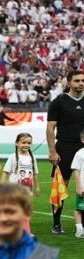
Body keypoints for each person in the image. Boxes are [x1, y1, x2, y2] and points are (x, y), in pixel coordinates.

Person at [46, 70, 84, 234]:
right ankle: (56, 224)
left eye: (83, 80)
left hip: (83, 148)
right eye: (77, 81)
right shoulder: (59, 102)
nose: (81, 83)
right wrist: (52, 151)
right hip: (65, 147)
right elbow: (50, 127)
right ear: (69, 82)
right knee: (61, 186)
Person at [71, 130, 84, 238]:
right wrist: (78, 187)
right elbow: (76, 171)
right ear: (82, 140)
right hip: (83, 187)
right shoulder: (80, 153)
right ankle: (79, 229)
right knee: (79, 208)